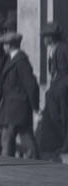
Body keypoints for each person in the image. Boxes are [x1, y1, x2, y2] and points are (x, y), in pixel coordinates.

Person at [0, 32, 39, 159]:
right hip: (13, 106)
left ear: (10, 45)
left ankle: (7, 164)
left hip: (17, 106)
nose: (3, 47)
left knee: (8, 138)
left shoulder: (20, 61)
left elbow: (30, 84)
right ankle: (34, 160)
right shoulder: (12, 59)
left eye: (5, 44)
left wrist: (35, 106)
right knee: (24, 137)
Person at [37, 29, 68, 163]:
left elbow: (63, 72)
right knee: (56, 117)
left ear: (51, 37)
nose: (43, 40)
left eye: (45, 37)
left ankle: (65, 145)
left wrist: (60, 87)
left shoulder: (63, 49)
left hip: (62, 89)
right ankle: (61, 143)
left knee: (64, 116)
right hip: (55, 89)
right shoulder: (52, 50)